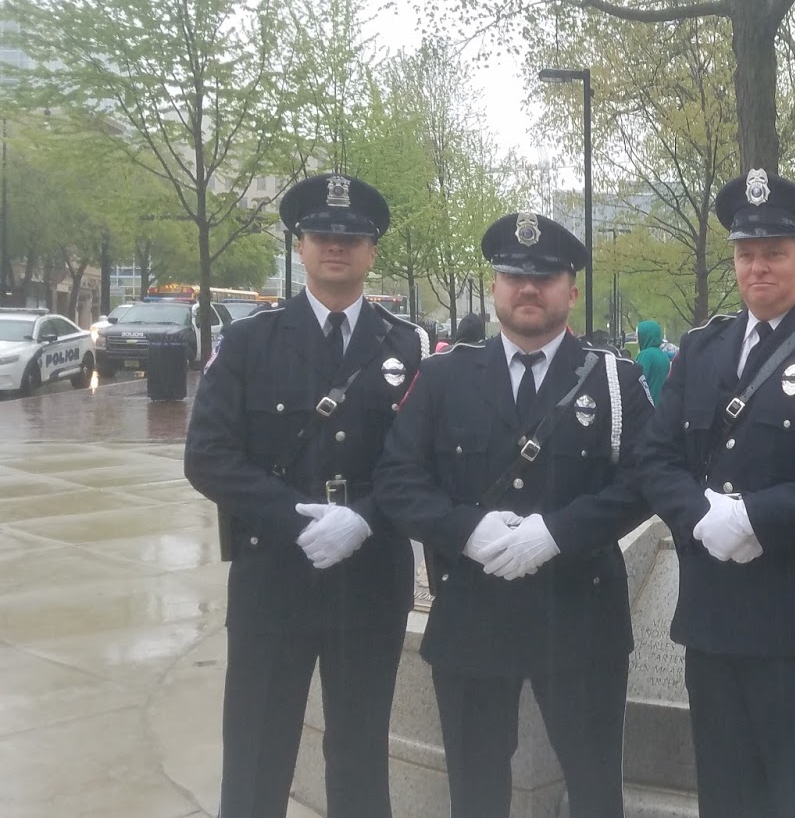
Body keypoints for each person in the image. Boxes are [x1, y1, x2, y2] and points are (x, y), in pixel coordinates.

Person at [631, 169, 795, 818]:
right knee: (724, 794)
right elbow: (655, 456)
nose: (758, 268)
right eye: (746, 254)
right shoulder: (701, 348)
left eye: (774, 253)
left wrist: (754, 518)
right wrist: (702, 518)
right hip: (715, 610)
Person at [374, 212, 654, 818]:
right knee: (474, 792)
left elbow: (645, 482)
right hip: (474, 610)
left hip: (580, 614)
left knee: (595, 787)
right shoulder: (444, 376)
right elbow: (397, 479)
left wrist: (557, 533)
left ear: (571, 290)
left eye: (547, 277)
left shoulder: (613, 379)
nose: (529, 288)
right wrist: (466, 530)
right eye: (513, 275)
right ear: (494, 285)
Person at [184, 173, 430, 818]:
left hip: (370, 574)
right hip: (274, 574)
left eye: (352, 237)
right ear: (300, 245)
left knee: (359, 750)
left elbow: (420, 463)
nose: (336, 247)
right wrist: (296, 519)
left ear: (373, 250)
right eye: (322, 234)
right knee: (258, 746)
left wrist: (363, 519)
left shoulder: (408, 345)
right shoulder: (248, 341)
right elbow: (208, 456)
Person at [634, 319, 671, 405]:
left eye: (637, 337)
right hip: (661, 405)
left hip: (648, 407)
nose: (637, 341)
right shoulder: (663, 355)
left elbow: (637, 381)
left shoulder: (645, 355)